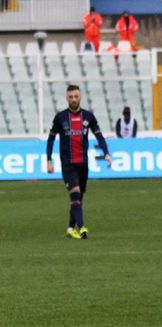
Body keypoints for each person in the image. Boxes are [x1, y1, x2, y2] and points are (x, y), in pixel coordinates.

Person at [46, 84, 112, 240]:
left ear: (80, 97)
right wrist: (48, 159)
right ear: (66, 98)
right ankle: (82, 228)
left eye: (76, 96)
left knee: (78, 199)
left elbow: (99, 135)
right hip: (68, 164)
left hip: (83, 163)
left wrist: (106, 153)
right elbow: (51, 139)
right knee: (75, 194)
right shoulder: (60, 117)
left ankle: (70, 228)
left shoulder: (88, 116)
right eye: (71, 97)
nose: (73, 99)